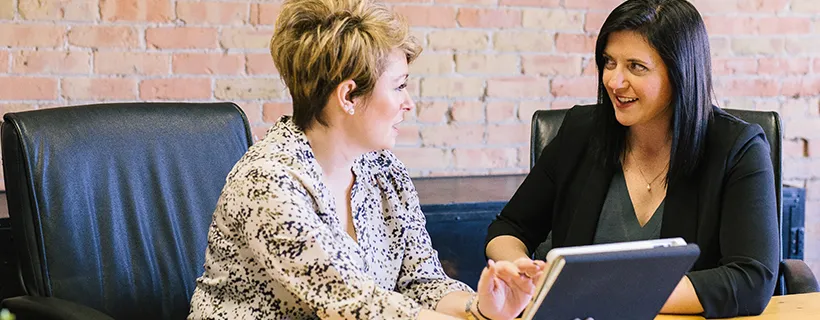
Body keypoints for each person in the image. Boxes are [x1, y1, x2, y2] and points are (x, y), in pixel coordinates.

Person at [188, 0, 543, 319]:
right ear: (349, 96)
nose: (409, 104)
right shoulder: (268, 181)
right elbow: (352, 303)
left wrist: (481, 308)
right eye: (400, 86)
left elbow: (422, 282)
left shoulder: (384, 171)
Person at [484, 0, 779, 318]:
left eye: (636, 67)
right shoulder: (581, 132)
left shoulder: (737, 148)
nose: (614, 81)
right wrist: (517, 269)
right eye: (609, 63)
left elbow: (751, 278)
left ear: (680, 72)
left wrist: (609, 294)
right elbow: (510, 227)